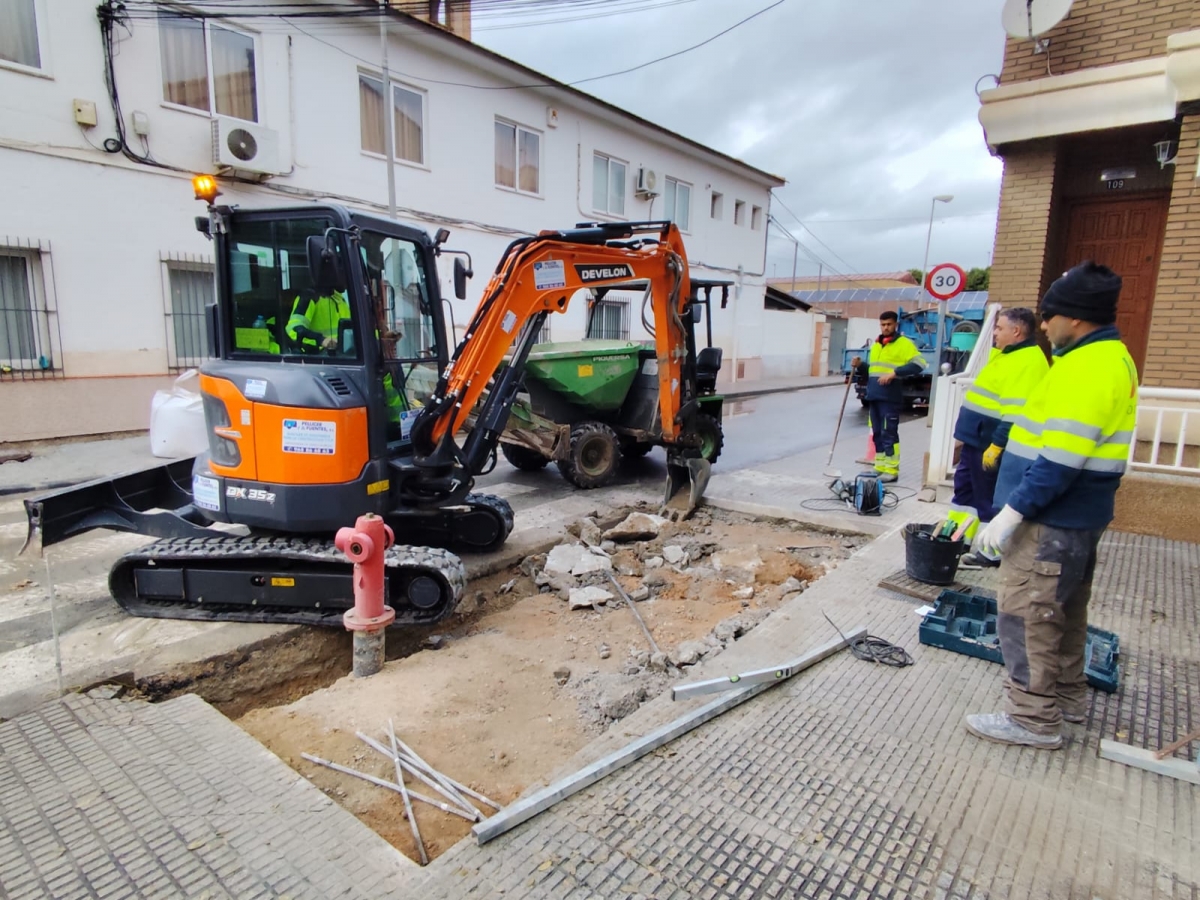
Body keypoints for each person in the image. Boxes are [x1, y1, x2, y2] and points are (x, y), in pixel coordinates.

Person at [965, 261, 1138, 750]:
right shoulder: (1108, 358)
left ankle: (1032, 718)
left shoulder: (1089, 366)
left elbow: (1060, 459)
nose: (1044, 325)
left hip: (1051, 519)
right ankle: (1066, 697)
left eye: (1050, 316)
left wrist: (1013, 512)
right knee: (1063, 612)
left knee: (1027, 614)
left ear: (1077, 318)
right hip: (1075, 517)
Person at [949, 308, 1049, 568]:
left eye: (999, 328)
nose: (994, 332)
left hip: (990, 442)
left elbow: (1015, 412)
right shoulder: (1009, 355)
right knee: (965, 494)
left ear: (1016, 331)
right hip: (977, 438)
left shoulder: (1027, 361)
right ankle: (958, 540)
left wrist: (997, 445)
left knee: (986, 498)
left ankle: (988, 553)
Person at [851, 311, 927, 483]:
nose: (886, 327)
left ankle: (892, 470)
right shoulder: (877, 345)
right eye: (883, 324)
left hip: (890, 397)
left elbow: (920, 364)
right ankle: (880, 467)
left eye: (889, 324)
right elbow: (874, 371)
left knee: (889, 433)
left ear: (896, 325)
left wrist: (895, 373)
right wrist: (861, 365)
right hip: (874, 396)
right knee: (877, 433)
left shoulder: (903, 344)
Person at [286, 290, 351, 353]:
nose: (344, 281)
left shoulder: (341, 300)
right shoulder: (309, 297)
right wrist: (320, 339)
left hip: (343, 354)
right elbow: (293, 330)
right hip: (317, 357)